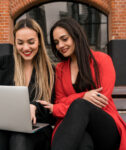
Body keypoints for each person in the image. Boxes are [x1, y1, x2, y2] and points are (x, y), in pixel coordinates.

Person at [38, 18, 126, 150]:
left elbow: (100, 100)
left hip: (105, 129)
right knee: (83, 142)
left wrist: (67, 105)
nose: (60, 45)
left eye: (64, 39)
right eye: (56, 42)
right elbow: (59, 101)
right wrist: (84, 95)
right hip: (76, 130)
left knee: (80, 105)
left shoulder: (102, 60)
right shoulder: (61, 69)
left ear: (76, 36)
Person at [0, 18, 55, 150]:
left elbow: (51, 110)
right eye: (20, 43)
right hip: (0, 126)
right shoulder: (0, 63)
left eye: (31, 42)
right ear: (14, 43)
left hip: (35, 129)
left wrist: (35, 106)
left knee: (20, 138)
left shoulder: (50, 70)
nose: (25, 48)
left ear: (39, 42)